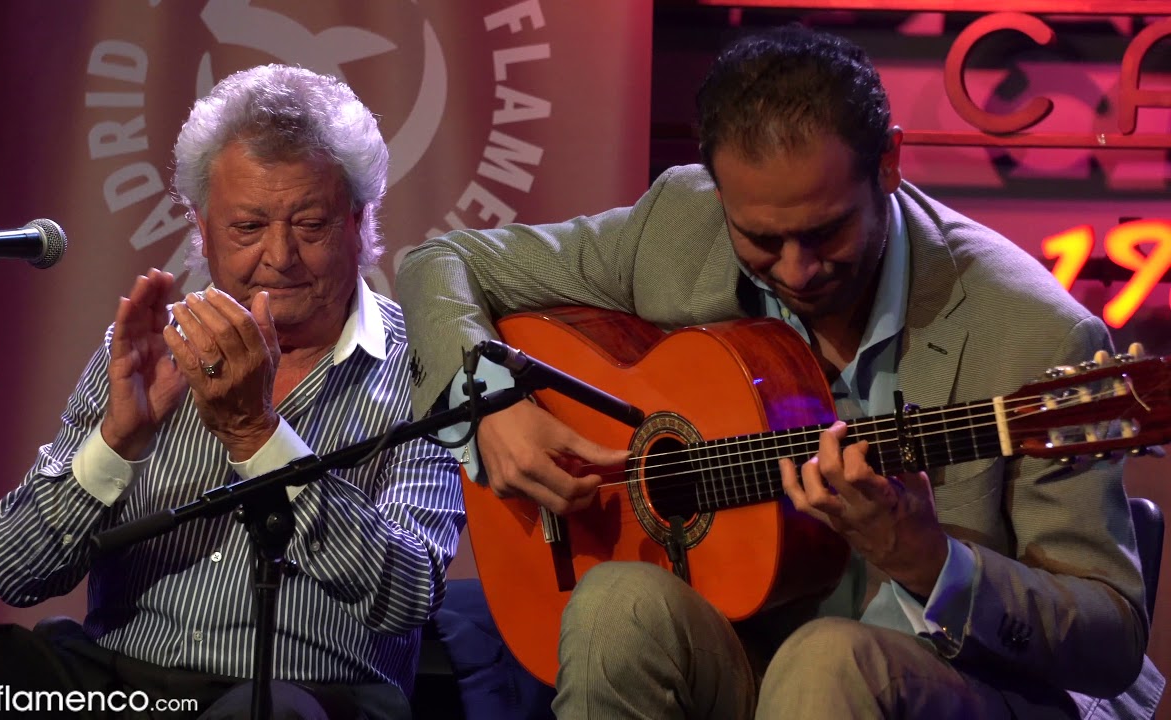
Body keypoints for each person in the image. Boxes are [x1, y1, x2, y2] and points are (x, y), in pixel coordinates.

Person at [395, 26, 1165, 719]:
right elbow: (441, 262)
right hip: (745, 660)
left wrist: (929, 559)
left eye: (826, 231)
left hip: (951, 687)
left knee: (828, 657)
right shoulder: (679, 224)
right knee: (616, 601)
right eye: (759, 238)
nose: (796, 268)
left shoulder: (1034, 331)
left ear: (888, 164)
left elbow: (1110, 638)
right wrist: (490, 404)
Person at [0, 65, 463, 719]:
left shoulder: (423, 359)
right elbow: (16, 572)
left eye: (310, 224)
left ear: (360, 222)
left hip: (305, 693)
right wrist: (119, 439)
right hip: (115, 683)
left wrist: (258, 434)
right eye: (248, 228)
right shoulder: (154, 346)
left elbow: (407, 592)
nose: (280, 256)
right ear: (202, 225)